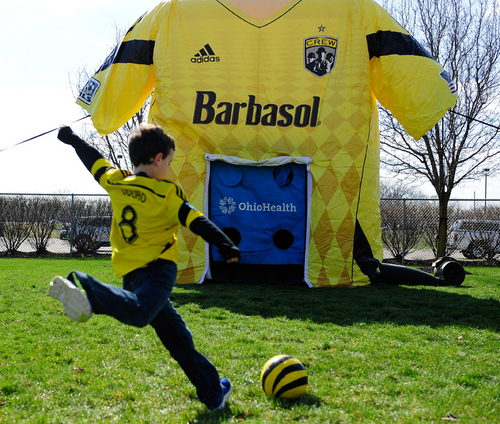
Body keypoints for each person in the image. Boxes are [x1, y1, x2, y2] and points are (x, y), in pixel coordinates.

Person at [49, 124, 240, 410]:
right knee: (139, 314)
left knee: (179, 339)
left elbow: (93, 158)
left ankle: (213, 393)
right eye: (171, 161)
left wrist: (72, 138)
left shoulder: (117, 181)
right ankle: (84, 286)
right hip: (159, 271)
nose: (169, 168)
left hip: (132, 275)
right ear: (159, 158)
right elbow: (195, 220)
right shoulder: (167, 192)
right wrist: (225, 244)